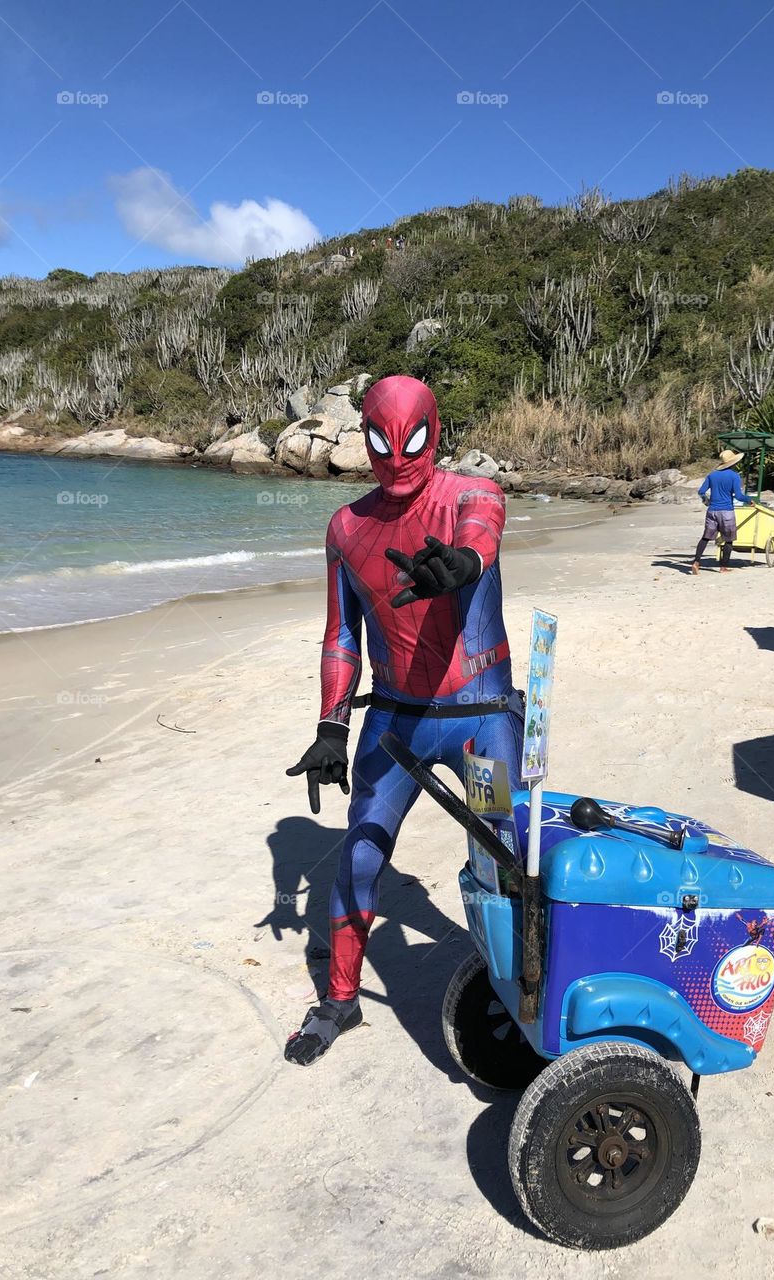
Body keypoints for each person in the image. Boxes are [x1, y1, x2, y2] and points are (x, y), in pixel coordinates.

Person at [283, 375, 524, 1066]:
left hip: (482, 720)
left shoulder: (472, 495)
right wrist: (331, 725)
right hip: (394, 722)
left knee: (505, 854)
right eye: (381, 442)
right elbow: (340, 638)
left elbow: (483, 536)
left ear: (435, 431)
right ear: (364, 438)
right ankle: (339, 999)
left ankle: (520, 996)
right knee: (360, 853)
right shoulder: (346, 527)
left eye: (412, 439)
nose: (397, 457)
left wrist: (462, 565)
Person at [691, 449, 753, 574]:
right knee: (728, 539)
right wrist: (749, 500)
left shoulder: (712, 475)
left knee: (705, 537)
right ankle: (723, 567)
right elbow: (739, 496)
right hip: (726, 512)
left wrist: (706, 501)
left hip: (712, 511)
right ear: (733, 462)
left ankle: (696, 562)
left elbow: (701, 491)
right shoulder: (734, 476)